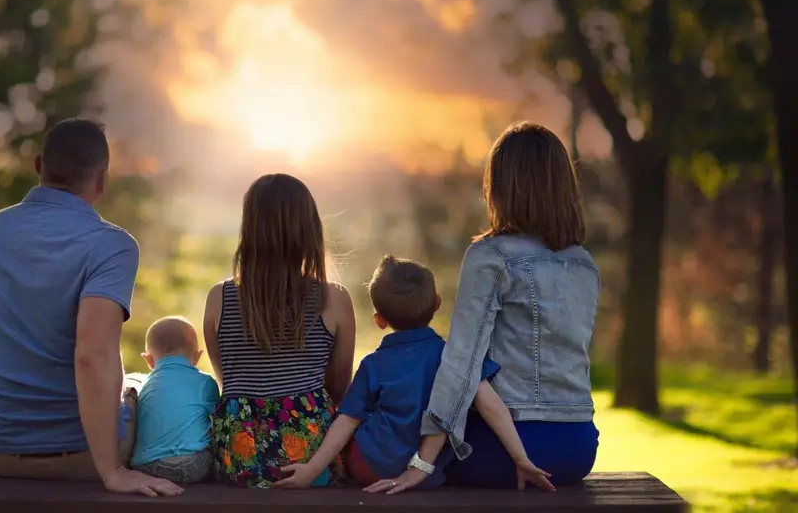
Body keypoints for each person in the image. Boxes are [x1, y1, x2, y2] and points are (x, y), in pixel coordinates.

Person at [0, 118, 181, 497]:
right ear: (102, 181)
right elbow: (92, 356)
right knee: (145, 386)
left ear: (38, 165)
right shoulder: (110, 245)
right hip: (82, 457)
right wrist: (111, 470)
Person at [367, 121, 600, 494]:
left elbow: (462, 362)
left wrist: (421, 464)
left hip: (507, 448)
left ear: (502, 186)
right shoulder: (584, 264)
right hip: (578, 448)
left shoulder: (490, 256)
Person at [275, 256, 552, 491]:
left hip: (367, 466)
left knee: (360, 418)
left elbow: (347, 421)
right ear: (437, 304)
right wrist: (520, 458)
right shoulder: (454, 358)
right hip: (427, 474)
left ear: (379, 320)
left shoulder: (375, 364)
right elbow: (491, 404)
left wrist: (312, 469)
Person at [203, 173, 357, 488]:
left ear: (249, 230)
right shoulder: (334, 298)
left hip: (240, 455)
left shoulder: (219, 297)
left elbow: (229, 382)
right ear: (309, 230)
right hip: (309, 456)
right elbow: (339, 391)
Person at [130, 316, 220, 483]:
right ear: (197, 357)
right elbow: (219, 421)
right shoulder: (205, 383)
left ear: (148, 360)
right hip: (193, 465)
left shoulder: (145, 385)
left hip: (148, 467)